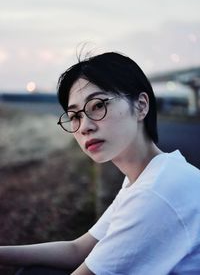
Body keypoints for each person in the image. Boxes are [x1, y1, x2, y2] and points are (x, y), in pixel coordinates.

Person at [1, 52, 200, 275]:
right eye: (74, 116)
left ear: (141, 106)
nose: (84, 126)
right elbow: (77, 250)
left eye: (97, 105)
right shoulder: (151, 175)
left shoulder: (156, 191)